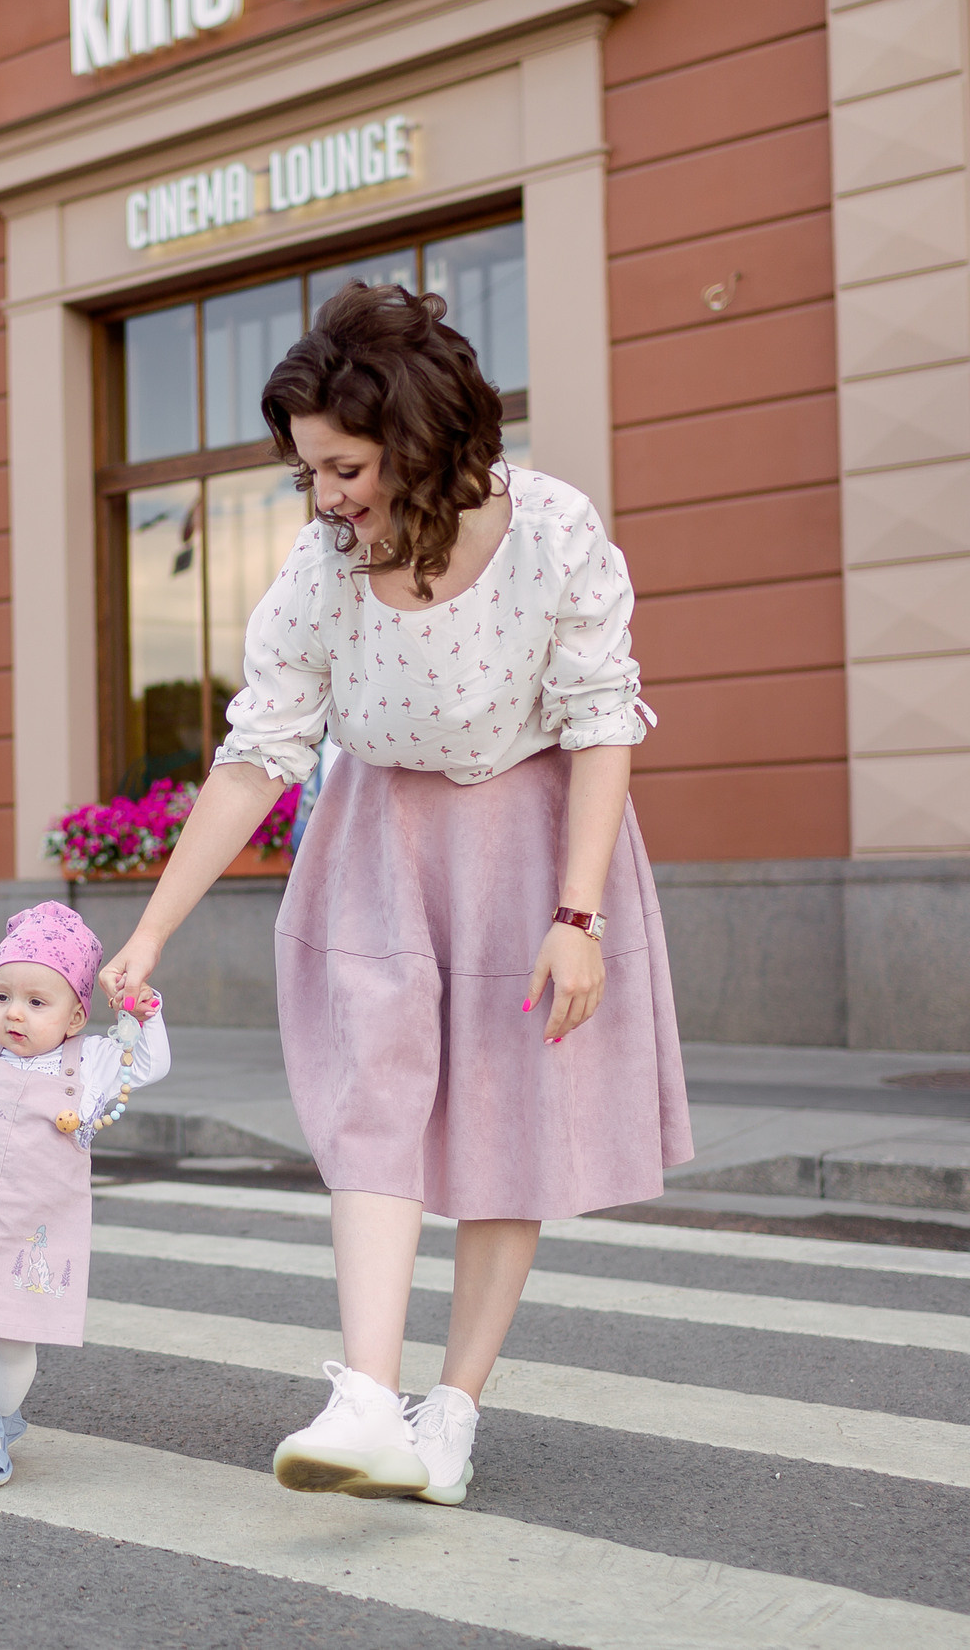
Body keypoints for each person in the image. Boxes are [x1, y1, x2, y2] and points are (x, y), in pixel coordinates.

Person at [100, 285, 693, 1508]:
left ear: (420, 441)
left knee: (507, 1127)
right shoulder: (323, 566)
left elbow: (601, 721)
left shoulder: (552, 528)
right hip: (378, 841)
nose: (325, 497)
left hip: (534, 843)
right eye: (309, 470)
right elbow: (259, 752)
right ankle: (367, 1394)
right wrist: (150, 930)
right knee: (372, 1102)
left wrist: (577, 919)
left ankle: (451, 1414)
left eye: (346, 467)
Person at [0, 903, 171, 1488]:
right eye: (3, 997)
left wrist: (145, 1014)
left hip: (34, 1235)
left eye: (37, 1002)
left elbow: (150, 1065)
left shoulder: (91, 1061)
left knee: (15, 1341)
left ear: (76, 1017)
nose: (14, 1012)